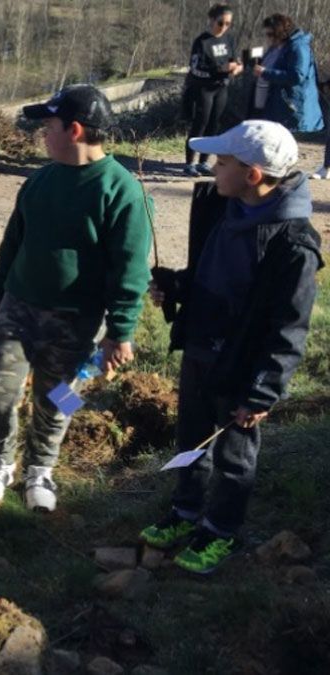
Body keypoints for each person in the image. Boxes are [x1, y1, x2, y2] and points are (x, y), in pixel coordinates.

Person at [140, 120, 322, 574]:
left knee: (234, 455)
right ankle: (185, 512)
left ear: (253, 174)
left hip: (242, 368)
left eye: (222, 162)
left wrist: (262, 392)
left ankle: (221, 530)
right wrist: (176, 286)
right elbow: (210, 278)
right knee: (192, 438)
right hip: (202, 349)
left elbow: (288, 328)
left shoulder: (293, 247)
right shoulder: (224, 209)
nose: (213, 170)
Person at [0, 85, 152, 513]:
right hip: (18, 307)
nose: (42, 135)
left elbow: (131, 269)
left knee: (61, 399)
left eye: (47, 127)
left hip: (76, 320)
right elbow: (14, 241)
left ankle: (41, 469)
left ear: (73, 130)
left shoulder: (122, 191)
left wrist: (120, 331)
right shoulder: (39, 180)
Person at [182, 4, 243, 177]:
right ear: (211, 20)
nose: (223, 27)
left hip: (221, 87)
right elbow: (195, 67)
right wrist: (220, 69)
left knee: (214, 124)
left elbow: (235, 59)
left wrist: (237, 67)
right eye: (220, 22)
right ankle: (189, 163)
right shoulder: (202, 41)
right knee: (200, 123)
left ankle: (203, 162)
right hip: (203, 88)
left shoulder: (229, 39)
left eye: (228, 24)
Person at [251, 14, 324, 133]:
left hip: (294, 108)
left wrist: (265, 72)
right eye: (266, 34)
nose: (268, 38)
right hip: (278, 107)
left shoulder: (298, 47)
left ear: (280, 33)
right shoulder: (278, 47)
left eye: (270, 34)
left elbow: (297, 76)